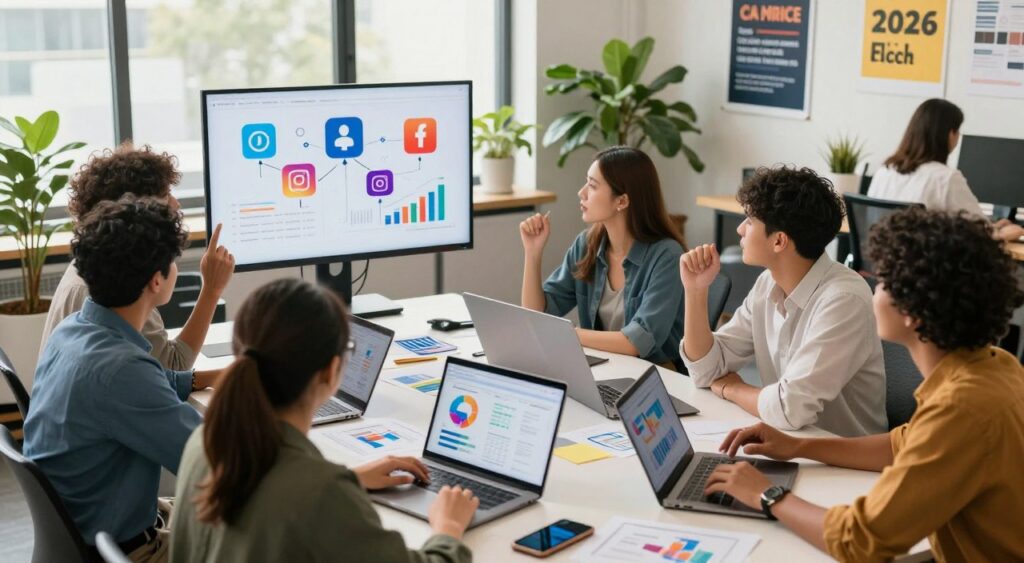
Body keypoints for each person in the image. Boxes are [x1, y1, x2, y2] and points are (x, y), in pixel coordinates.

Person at [702, 207, 1024, 561]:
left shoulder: (962, 409)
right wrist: (798, 447)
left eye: (883, 281)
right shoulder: (997, 366)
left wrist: (768, 495)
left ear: (912, 312)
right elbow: (905, 445)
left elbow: (860, 541)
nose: (874, 287)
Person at [170, 278, 477, 563]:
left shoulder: (205, 439)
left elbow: (275, 493)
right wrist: (448, 528)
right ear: (331, 371)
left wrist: (349, 478)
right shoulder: (320, 494)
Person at [24, 196, 221, 561]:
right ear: (157, 281)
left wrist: (214, 377)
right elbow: (212, 461)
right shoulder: (121, 371)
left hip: (88, 533)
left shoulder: (73, 332)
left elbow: (148, 383)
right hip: (129, 550)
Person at [680, 166, 886, 437]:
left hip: (843, 463)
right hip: (786, 441)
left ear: (779, 241)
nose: (741, 229)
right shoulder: (768, 282)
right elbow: (706, 370)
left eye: (750, 220)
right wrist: (695, 291)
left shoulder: (843, 300)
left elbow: (791, 408)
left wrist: (733, 388)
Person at [39, 143, 235, 370]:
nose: (175, 203)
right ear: (137, 209)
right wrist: (211, 289)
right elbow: (172, 367)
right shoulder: (121, 289)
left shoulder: (92, 265)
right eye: (165, 195)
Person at [520, 146, 686, 369]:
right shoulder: (587, 244)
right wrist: (532, 253)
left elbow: (637, 341)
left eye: (592, 185)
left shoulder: (666, 256)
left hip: (656, 374)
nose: (582, 192)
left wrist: (569, 334)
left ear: (622, 201)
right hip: (603, 366)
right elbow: (536, 315)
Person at [868, 98, 1024, 241]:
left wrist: (992, 227)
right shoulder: (945, 178)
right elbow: (981, 231)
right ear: (950, 134)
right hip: (923, 268)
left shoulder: (885, 171)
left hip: (883, 265)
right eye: (957, 131)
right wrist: (1003, 233)